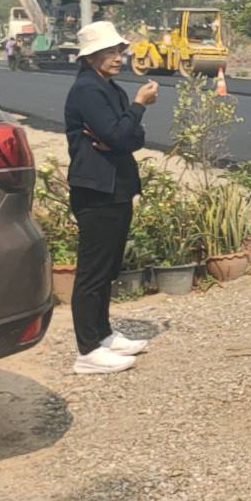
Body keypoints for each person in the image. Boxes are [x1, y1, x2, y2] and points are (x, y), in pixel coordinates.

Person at [63, 21, 158, 375]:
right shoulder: (88, 90)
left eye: (119, 51)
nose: (118, 57)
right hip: (96, 190)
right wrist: (138, 106)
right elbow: (120, 135)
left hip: (115, 187)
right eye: (109, 52)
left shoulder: (109, 88)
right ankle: (88, 350)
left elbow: (133, 138)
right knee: (93, 271)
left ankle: (102, 334)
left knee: (107, 267)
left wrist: (123, 129)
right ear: (90, 57)